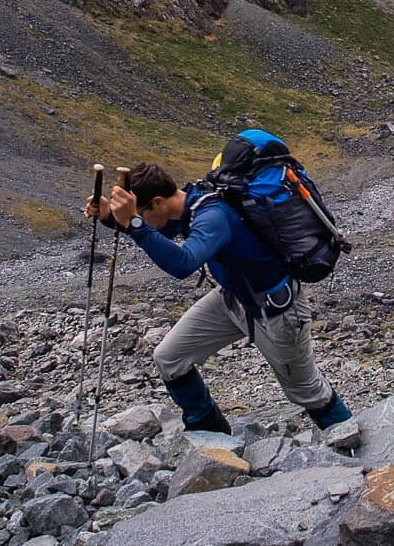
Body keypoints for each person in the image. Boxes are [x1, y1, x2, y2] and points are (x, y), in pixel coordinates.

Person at [84, 160, 353, 435]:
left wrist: (136, 224)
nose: (144, 221)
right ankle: (209, 435)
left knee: (306, 392)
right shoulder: (189, 203)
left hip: (277, 313)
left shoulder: (213, 215)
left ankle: (353, 441)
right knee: (169, 358)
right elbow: (162, 229)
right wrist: (111, 218)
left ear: (157, 201)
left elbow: (183, 263)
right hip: (233, 299)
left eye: (142, 212)